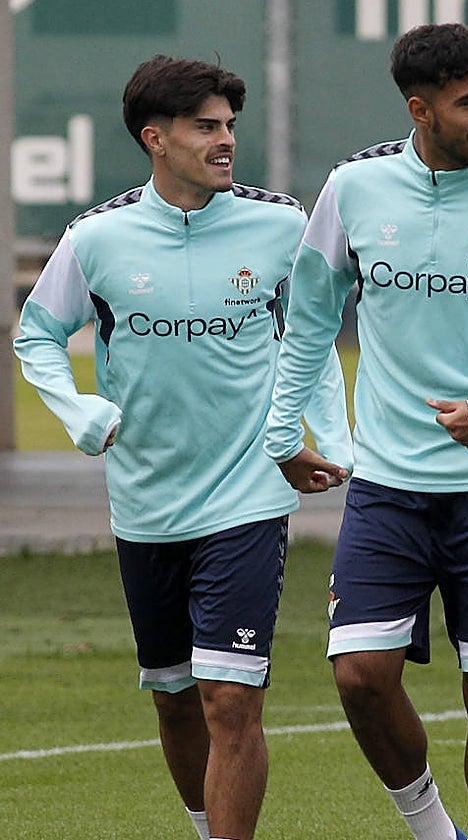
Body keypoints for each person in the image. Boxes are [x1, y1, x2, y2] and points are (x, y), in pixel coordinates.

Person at [263, 22, 468, 840]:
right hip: (387, 489)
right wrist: (282, 435)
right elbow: (308, 321)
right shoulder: (353, 189)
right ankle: (431, 828)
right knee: (359, 679)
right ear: (421, 109)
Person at [13, 56, 352, 840]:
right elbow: (35, 334)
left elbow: (310, 337)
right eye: (207, 126)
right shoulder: (97, 238)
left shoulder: (278, 224)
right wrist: (79, 410)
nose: (226, 139)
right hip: (145, 504)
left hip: (248, 496)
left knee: (230, 698)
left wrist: (325, 440)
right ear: (154, 138)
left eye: (230, 124)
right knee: (173, 696)